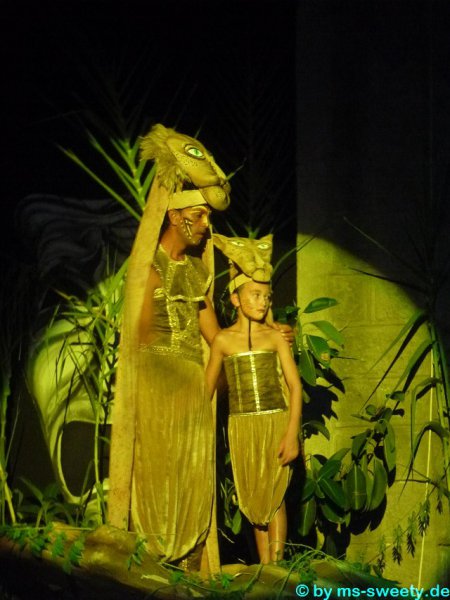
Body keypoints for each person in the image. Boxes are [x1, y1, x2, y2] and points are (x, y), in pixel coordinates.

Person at [108, 124, 230, 570]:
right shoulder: (148, 268)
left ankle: (191, 569)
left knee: (193, 476)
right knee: (158, 472)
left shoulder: (195, 272)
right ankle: (155, 565)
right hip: (158, 385)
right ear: (178, 217)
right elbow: (137, 339)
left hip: (192, 386)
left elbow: (216, 337)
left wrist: (261, 339)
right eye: (201, 217)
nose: (206, 227)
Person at [205, 250, 303, 564]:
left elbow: (295, 386)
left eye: (266, 297)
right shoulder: (223, 341)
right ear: (236, 299)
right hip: (242, 426)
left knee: (275, 495)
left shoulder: (275, 338)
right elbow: (207, 390)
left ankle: (278, 568)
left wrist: (291, 434)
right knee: (253, 496)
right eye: (255, 295)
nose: (262, 302)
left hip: (275, 422)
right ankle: (265, 570)